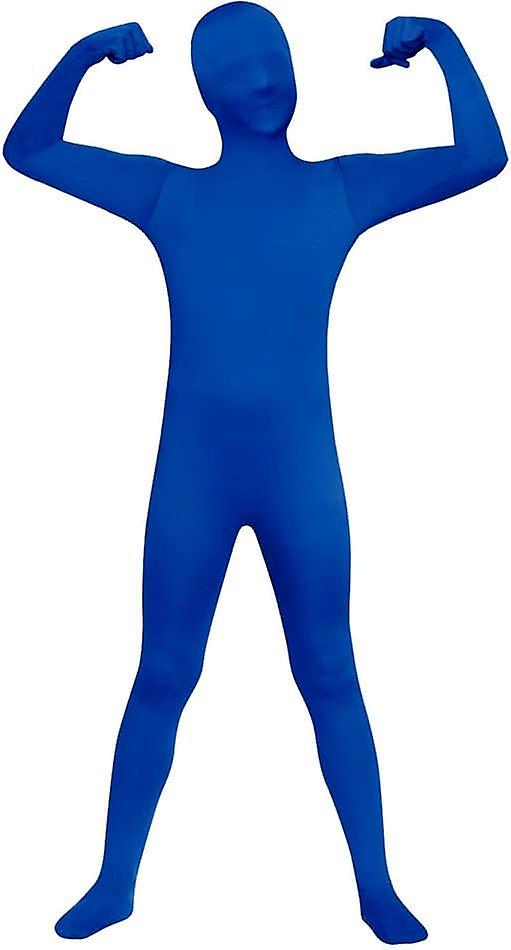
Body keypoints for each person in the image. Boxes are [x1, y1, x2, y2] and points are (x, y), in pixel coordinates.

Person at [4, 3, 506, 943]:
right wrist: (79, 54)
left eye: (273, 58)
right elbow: (26, 150)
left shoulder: (340, 189)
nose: (262, 79)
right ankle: (114, 881)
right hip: (193, 482)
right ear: (204, 91)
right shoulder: (168, 195)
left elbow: (482, 157)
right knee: (162, 672)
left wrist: (443, 40)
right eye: (236, 67)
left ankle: (375, 886)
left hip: (298, 480)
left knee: (330, 672)